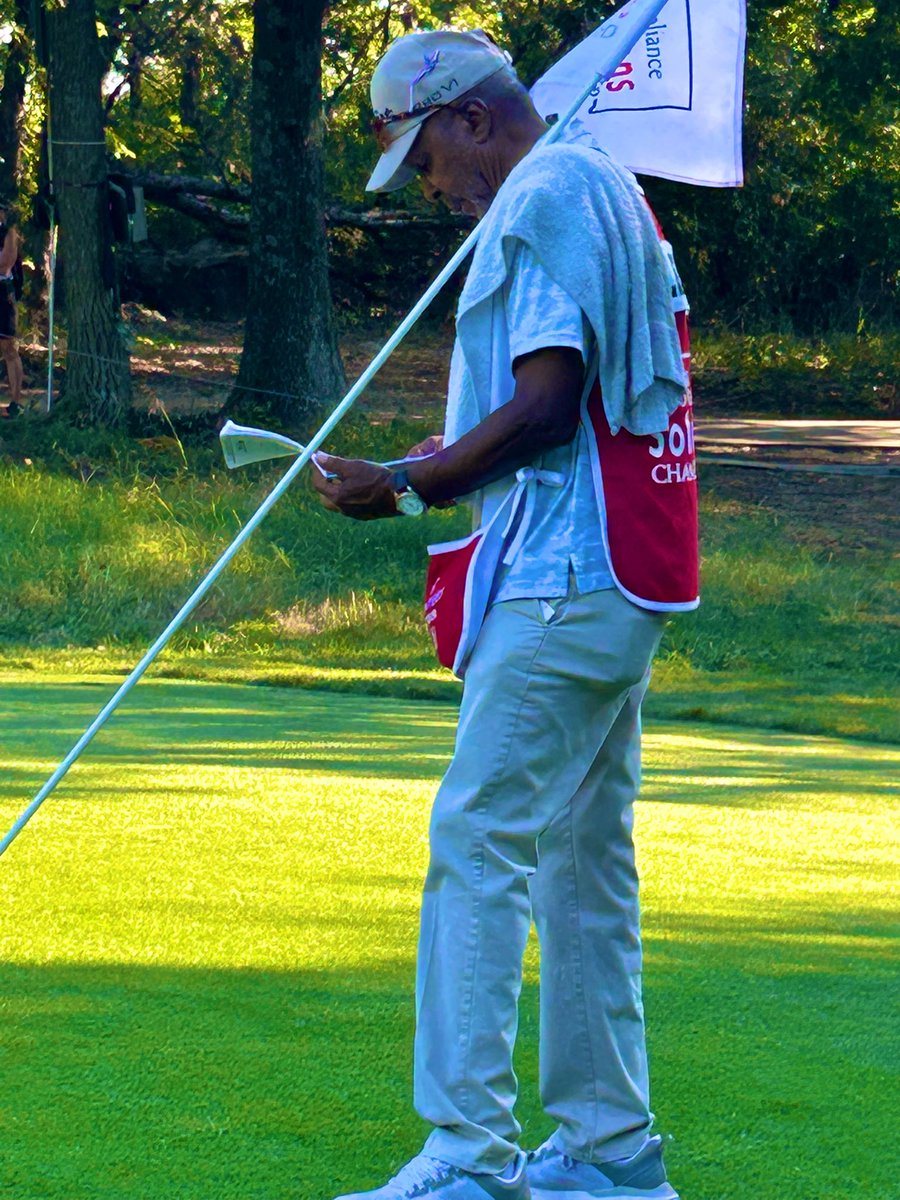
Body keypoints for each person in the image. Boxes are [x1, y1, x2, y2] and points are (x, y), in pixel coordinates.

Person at [313, 29, 698, 1200]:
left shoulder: (540, 196)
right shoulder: (599, 181)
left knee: (476, 840)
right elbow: (552, 417)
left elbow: (544, 406)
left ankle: (469, 1158)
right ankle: (609, 1151)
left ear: (472, 118)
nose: (434, 191)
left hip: (564, 578)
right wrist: (440, 459)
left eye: (427, 160)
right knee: (583, 864)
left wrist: (412, 485)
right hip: (616, 571)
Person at [0, 201, 23, 417]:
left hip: (2, 293)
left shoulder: (8, 234)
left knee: (8, 347)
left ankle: (16, 402)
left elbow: (5, 262)